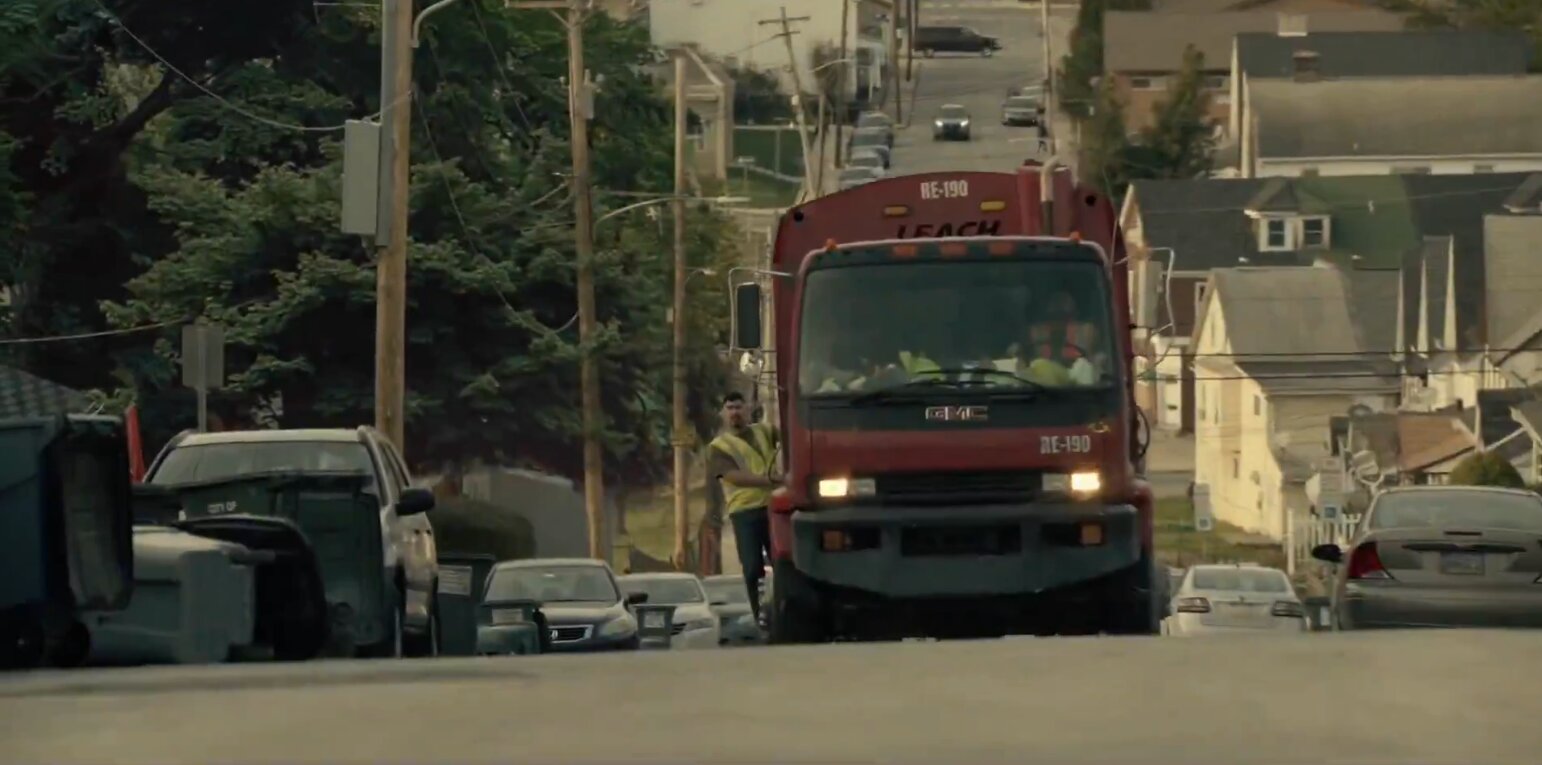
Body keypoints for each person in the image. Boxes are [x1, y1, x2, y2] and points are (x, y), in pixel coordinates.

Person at [707, 391, 781, 622]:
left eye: (738, 407)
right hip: (744, 512)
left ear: (748, 409)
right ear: (723, 413)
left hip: (773, 507)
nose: (734, 413)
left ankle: (784, 606)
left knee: (783, 562)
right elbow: (732, 476)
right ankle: (759, 613)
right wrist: (771, 480)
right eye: (730, 408)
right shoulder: (719, 446)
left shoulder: (765, 431)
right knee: (751, 567)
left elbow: (790, 437)